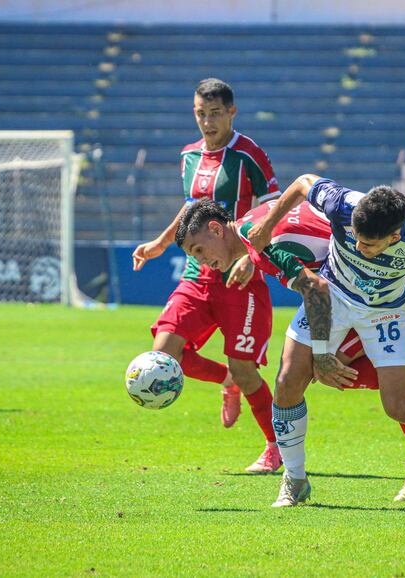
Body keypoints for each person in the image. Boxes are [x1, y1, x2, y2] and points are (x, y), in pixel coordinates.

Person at [175, 197, 405, 501]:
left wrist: (321, 354)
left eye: (199, 250)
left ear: (216, 229)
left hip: (376, 295)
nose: (201, 262)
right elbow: (302, 190)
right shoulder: (255, 224)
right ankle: (295, 479)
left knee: (330, 369)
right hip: (342, 291)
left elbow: (315, 289)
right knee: (289, 382)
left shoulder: (260, 240)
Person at [248, 175, 405, 507]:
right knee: (287, 382)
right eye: (356, 238)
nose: (359, 247)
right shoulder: (342, 205)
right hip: (333, 296)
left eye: (369, 245)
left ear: (395, 236)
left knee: (398, 408)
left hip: (386, 313)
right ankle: (294, 479)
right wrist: (267, 224)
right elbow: (303, 182)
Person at [131, 78, 281, 473]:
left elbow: (275, 211)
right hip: (198, 275)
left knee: (248, 370)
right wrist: (161, 244)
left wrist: (253, 254)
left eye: (215, 113)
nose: (207, 121)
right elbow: (190, 212)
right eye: (201, 113)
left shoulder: (250, 156)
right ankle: (226, 380)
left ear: (232, 112)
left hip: (240, 278)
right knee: (164, 352)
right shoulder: (188, 156)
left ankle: (274, 446)